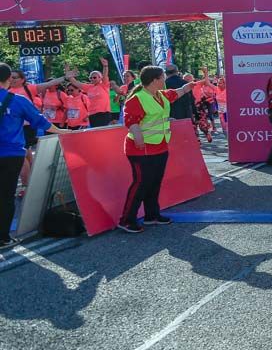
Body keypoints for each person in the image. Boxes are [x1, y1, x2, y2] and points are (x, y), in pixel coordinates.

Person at [117, 66, 196, 233]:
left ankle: (152, 215)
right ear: (154, 80)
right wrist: (138, 137)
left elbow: (178, 92)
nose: (164, 80)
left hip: (159, 146)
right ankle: (126, 220)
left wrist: (191, 85)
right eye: (162, 77)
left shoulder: (161, 95)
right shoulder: (137, 98)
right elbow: (131, 121)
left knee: (154, 183)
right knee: (141, 184)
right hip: (141, 149)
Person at [0, 64, 68, 247]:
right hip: (11, 154)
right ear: (8, 80)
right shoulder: (18, 100)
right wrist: (64, 133)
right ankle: (3, 237)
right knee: (6, 195)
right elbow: (41, 122)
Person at [68, 58, 114, 127]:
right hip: (92, 114)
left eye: (94, 77)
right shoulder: (89, 87)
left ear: (100, 78)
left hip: (103, 113)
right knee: (95, 134)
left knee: (103, 132)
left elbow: (105, 75)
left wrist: (105, 66)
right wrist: (68, 73)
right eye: (91, 78)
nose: (92, 79)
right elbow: (75, 82)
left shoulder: (103, 85)